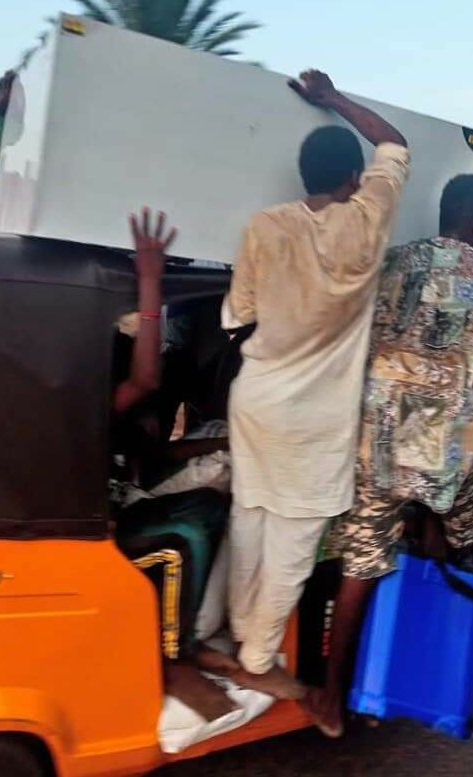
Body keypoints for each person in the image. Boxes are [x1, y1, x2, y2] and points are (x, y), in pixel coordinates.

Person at [302, 173, 473, 737]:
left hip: (378, 433)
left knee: (360, 559)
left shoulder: (391, 261)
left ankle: (331, 698)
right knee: (462, 526)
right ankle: (419, 666)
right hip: (449, 440)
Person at [222, 69, 410, 699]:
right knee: (294, 543)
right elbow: (395, 142)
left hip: (256, 400)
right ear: (353, 180)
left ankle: (230, 629)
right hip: (317, 421)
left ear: (303, 177)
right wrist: (333, 99)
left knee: (249, 516)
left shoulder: (263, 226)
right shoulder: (369, 220)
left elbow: (238, 314)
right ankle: (255, 653)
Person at [111, 208, 235, 721]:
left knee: (208, 507)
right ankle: (173, 655)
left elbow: (155, 453)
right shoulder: (84, 400)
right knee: (185, 541)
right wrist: (149, 281)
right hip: (96, 527)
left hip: (118, 505)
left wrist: (220, 443)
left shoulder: (111, 411)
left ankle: (191, 641)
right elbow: (143, 380)